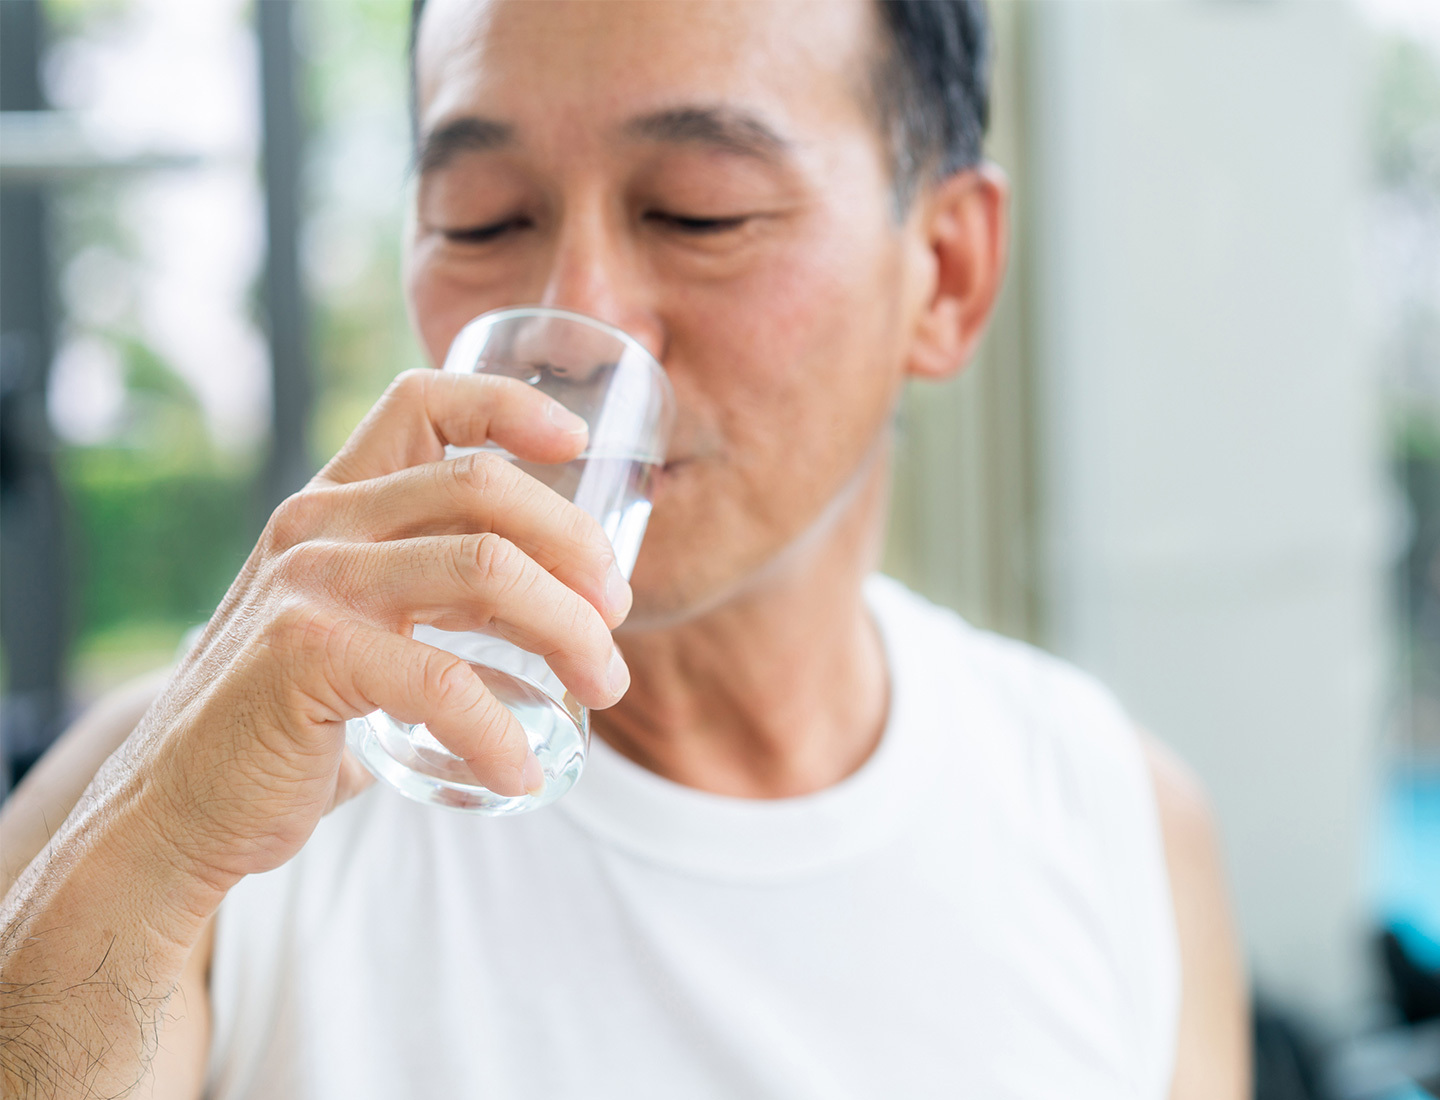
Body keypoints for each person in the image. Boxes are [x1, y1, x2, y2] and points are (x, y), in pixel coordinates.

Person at [0, 1, 1249, 1096]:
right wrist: (154, 841)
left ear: (948, 273)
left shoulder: (1111, 816)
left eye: (697, 211)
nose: (578, 321)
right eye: (480, 221)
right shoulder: (181, 802)